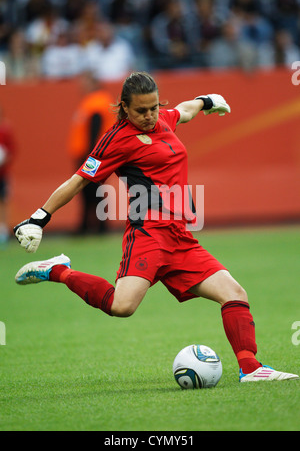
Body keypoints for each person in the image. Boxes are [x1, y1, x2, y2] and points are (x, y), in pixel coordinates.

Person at [13, 71, 298, 383]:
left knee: (234, 293)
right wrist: (40, 217)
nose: (149, 116)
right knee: (121, 307)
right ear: (124, 107)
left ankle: (252, 369)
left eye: (154, 108)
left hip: (180, 237)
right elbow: (79, 179)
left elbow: (184, 111)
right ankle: (58, 270)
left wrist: (206, 101)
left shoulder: (163, 119)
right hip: (148, 233)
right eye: (141, 111)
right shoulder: (115, 140)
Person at [67, 71, 115, 233]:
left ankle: (95, 226)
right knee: (88, 190)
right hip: (90, 153)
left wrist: (90, 154)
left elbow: (95, 127)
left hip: (91, 155)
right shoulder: (92, 101)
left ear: (93, 82)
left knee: (91, 189)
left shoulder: (97, 101)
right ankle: (89, 225)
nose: (82, 85)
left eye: (85, 81)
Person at [0, 106, 15, 246]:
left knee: (4, 201)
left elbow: (12, 151)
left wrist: (4, 159)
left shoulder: (5, 131)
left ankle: (3, 232)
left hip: (2, 174)